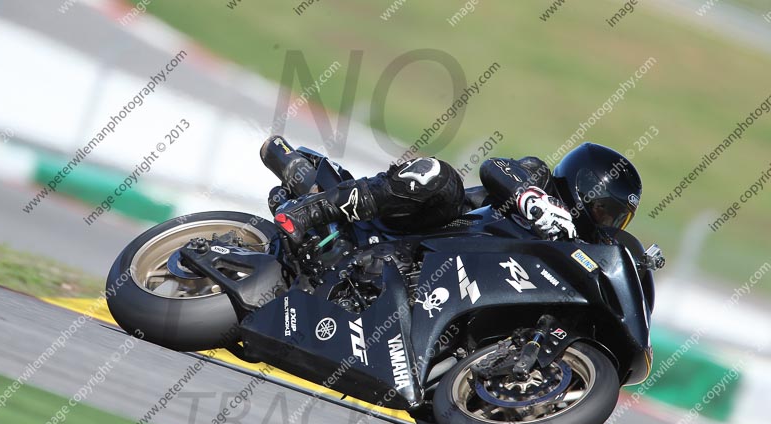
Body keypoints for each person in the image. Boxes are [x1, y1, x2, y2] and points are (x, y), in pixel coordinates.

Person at [260, 135, 642, 248]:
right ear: (584, 189)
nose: (606, 223)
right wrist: (532, 199)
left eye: (617, 220)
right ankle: (306, 211)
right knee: (439, 176)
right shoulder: (540, 178)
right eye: (605, 211)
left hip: (457, 285)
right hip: (437, 228)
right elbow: (495, 167)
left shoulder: (584, 249)